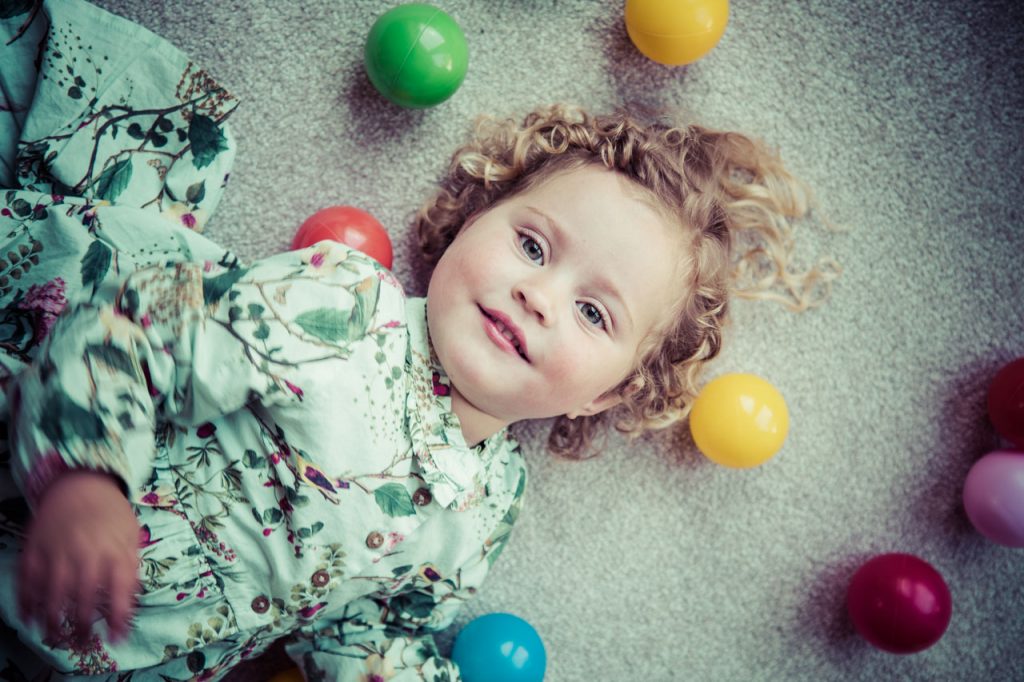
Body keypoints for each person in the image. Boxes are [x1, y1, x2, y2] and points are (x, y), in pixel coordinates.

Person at [0, 1, 838, 680]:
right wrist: (86, 482)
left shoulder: (488, 509)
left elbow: (368, 629)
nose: (538, 296)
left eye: (594, 314)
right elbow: (133, 326)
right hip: (31, 516)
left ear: (606, 393)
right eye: (534, 247)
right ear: (474, 221)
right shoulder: (343, 306)